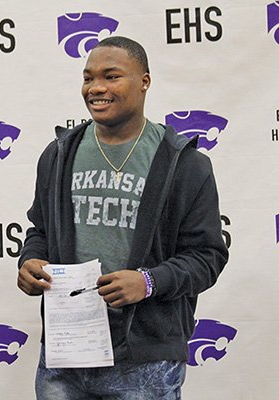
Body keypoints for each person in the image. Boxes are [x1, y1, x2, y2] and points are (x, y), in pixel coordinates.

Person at [17, 36, 228, 399]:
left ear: (144, 81)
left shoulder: (185, 163)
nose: (96, 88)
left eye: (111, 76)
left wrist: (148, 282)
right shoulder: (58, 155)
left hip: (147, 360)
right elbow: (40, 230)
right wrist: (30, 260)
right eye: (88, 78)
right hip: (66, 352)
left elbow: (208, 257)